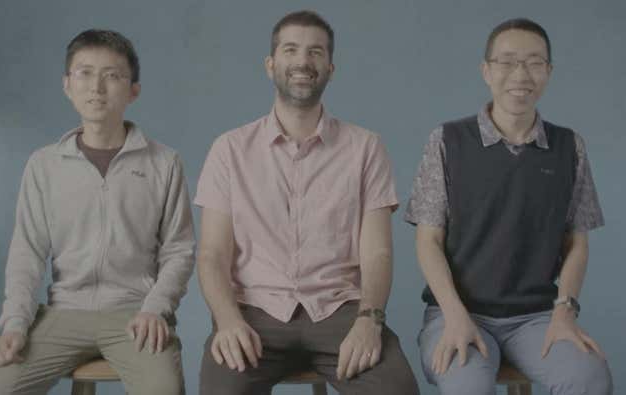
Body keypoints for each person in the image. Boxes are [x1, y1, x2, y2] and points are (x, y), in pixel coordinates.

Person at [195, 10, 419, 395]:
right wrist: (227, 319)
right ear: (270, 64)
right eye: (291, 50)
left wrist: (369, 320)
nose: (302, 61)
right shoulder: (229, 149)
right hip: (253, 313)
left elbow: (378, 252)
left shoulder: (365, 147)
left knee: (397, 390)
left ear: (330, 68)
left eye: (315, 52)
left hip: (340, 312)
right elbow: (212, 253)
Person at [0, 29, 195, 395]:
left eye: (112, 76)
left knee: (165, 390)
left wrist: (156, 308)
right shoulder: (44, 164)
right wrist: (15, 323)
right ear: (67, 85)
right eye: (84, 73)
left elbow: (179, 250)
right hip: (63, 314)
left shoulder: (164, 162)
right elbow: (27, 254)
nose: (97, 87)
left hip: (135, 314)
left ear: (133, 91)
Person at [406, 17, 613, 395]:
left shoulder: (570, 147)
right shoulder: (448, 140)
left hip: (536, 317)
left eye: (535, 62)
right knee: (467, 388)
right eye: (507, 61)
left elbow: (576, 243)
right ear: (487, 70)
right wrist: (453, 315)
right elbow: (428, 241)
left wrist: (564, 311)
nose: (521, 74)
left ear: (548, 72)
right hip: (457, 311)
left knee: (589, 378)